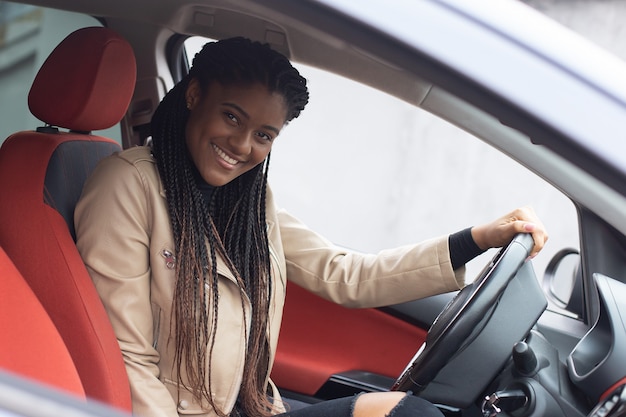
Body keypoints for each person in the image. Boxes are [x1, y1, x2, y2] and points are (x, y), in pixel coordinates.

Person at [74, 37, 548, 417]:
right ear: (195, 95)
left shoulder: (249, 203)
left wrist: (478, 239)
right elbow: (126, 359)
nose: (241, 145)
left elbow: (347, 273)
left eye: (264, 135)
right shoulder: (127, 185)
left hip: (254, 408)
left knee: (408, 412)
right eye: (231, 116)